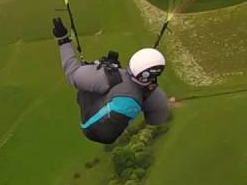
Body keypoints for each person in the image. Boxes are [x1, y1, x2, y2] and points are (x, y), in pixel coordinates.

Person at [53, 17, 170, 145]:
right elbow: (156, 120)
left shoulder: (109, 78)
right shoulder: (157, 96)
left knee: (86, 87)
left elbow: (71, 73)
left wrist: (62, 40)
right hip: (112, 138)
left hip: (88, 125)